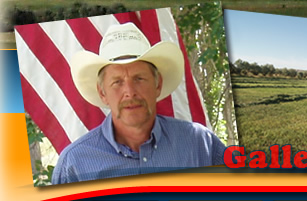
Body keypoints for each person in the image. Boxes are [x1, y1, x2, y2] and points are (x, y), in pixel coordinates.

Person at [51, 23, 227, 184]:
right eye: (117, 82)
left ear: (157, 85)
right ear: (102, 93)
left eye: (139, 78)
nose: (130, 92)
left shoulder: (199, 144)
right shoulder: (74, 165)